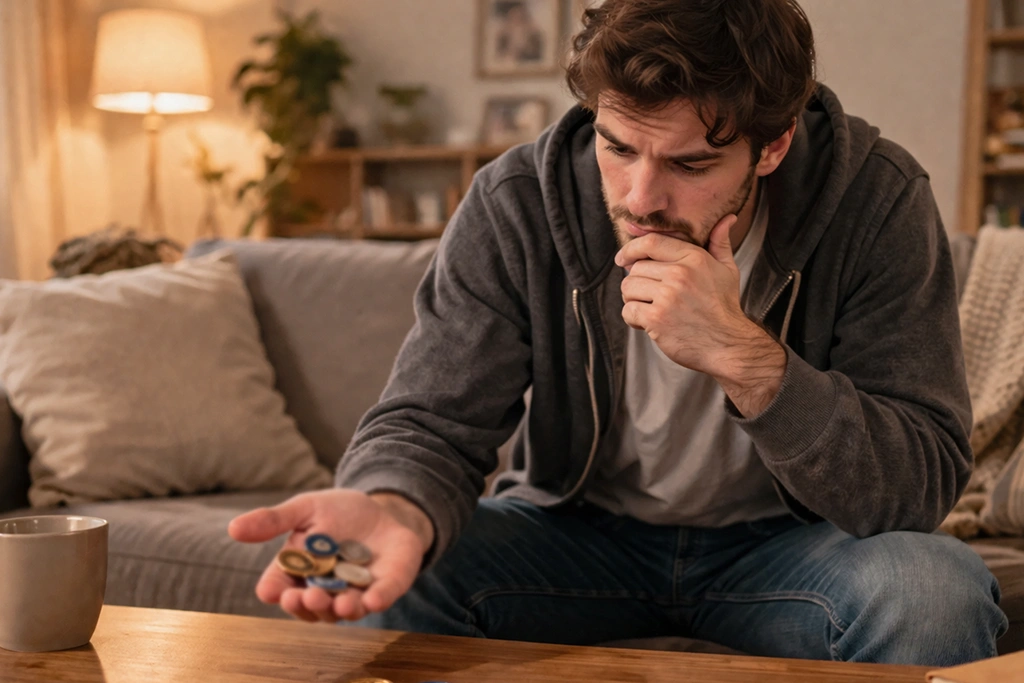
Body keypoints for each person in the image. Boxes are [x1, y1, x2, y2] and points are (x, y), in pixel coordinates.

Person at [229, 0, 1009, 665]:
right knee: (374, 575)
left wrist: (747, 357)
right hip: (574, 539)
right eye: (618, 146)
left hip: (794, 552)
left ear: (771, 146)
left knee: (932, 593)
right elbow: (433, 418)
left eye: (691, 164)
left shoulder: (876, 198)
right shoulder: (518, 201)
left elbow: (919, 480)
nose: (641, 197)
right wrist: (392, 503)